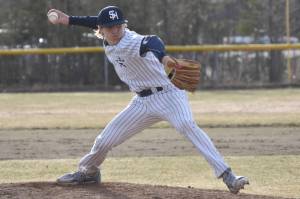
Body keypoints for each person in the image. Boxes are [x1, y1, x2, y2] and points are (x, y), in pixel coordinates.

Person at [47, 6, 249, 194]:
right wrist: (69, 20)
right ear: (101, 29)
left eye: (119, 25)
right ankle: (89, 172)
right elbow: (93, 21)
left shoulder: (132, 41)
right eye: (110, 27)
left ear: (124, 25)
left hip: (170, 94)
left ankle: (228, 175)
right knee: (104, 140)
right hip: (142, 102)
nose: (116, 30)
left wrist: (164, 58)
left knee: (186, 124)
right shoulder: (106, 35)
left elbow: (152, 42)